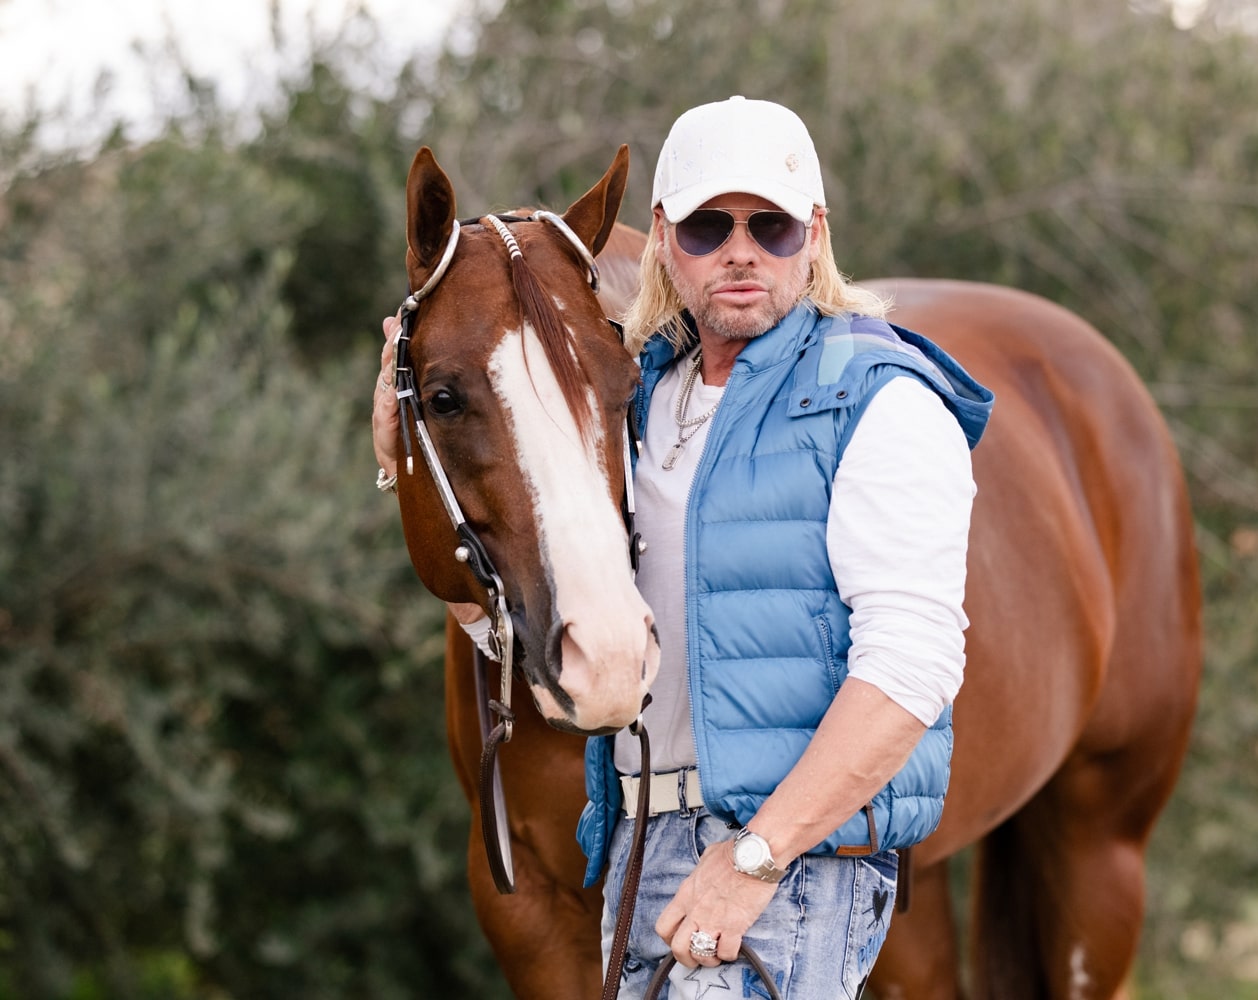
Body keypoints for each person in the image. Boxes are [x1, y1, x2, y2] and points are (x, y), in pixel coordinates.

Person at [375, 96, 992, 999]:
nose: (740, 250)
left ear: (814, 235)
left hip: (783, 860)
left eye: (770, 226)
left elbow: (912, 666)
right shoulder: (640, 406)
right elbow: (559, 614)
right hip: (638, 846)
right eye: (710, 225)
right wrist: (400, 461)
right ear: (662, 238)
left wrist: (755, 858)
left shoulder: (882, 401)